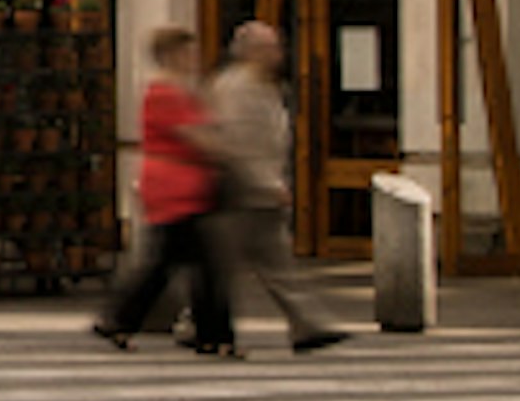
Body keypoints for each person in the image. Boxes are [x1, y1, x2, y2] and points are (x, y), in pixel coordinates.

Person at [206, 20, 349, 356]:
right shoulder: (235, 88)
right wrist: (266, 182)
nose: (277, 53)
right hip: (241, 191)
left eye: (276, 46)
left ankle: (307, 325)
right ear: (249, 51)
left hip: (261, 192)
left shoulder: (264, 86)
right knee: (228, 263)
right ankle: (197, 322)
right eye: (269, 47)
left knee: (273, 264)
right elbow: (238, 141)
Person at [93, 27, 231, 355]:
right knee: (191, 262)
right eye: (188, 52)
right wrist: (225, 152)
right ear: (171, 55)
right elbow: (194, 135)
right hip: (176, 186)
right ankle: (211, 334)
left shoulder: (179, 91)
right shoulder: (165, 93)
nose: (194, 59)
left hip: (184, 185)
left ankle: (124, 321)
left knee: (177, 262)